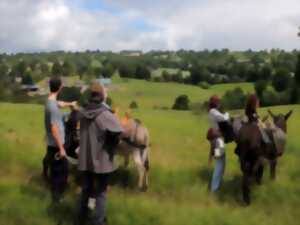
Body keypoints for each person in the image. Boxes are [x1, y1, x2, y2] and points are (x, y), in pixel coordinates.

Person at [77, 82, 123, 225]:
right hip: (102, 160)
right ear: (102, 96)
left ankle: (81, 218)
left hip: (86, 159)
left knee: (86, 189)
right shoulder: (105, 115)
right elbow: (119, 131)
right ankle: (98, 222)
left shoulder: (83, 112)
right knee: (101, 193)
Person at [43, 76, 77, 202]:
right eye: (62, 86)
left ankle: (56, 194)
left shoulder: (50, 101)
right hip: (56, 146)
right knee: (60, 173)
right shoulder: (52, 107)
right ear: (60, 88)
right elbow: (53, 128)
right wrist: (62, 148)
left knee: (59, 171)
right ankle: (57, 199)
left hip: (53, 144)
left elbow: (59, 104)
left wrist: (70, 104)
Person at [207, 95, 230, 192]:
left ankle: (216, 187)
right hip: (218, 141)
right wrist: (227, 114)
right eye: (218, 101)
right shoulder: (213, 111)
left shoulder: (213, 111)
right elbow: (223, 118)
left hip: (217, 140)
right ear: (215, 102)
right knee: (220, 165)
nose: (220, 103)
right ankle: (214, 189)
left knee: (221, 164)